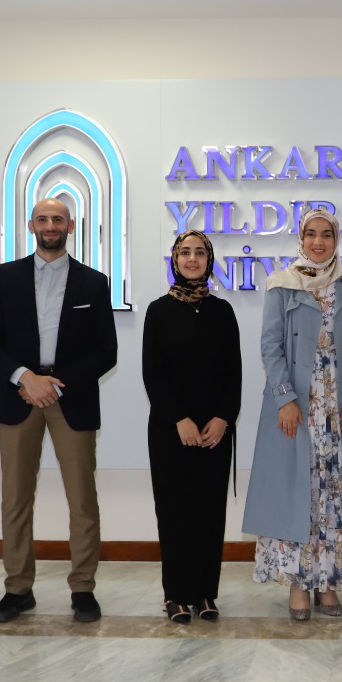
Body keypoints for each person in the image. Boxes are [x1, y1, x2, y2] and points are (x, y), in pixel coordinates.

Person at [0, 198, 118, 625]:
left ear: (70, 226)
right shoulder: (4, 277)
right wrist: (24, 378)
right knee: (15, 499)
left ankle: (83, 589)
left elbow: (106, 351)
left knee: (82, 499)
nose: (50, 225)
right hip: (19, 397)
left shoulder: (94, 282)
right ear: (31, 225)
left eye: (58, 219)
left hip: (70, 398)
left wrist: (56, 383)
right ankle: (18, 589)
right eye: (43, 219)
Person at [243, 209, 342, 620]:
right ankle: (299, 585)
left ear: (336, 240)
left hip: (339, 410)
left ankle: (329, 583)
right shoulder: (281, 285)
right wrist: (284, 398)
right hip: (297, 409)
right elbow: (270, 347)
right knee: (297, 495)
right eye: (310, 234)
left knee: (335, 495)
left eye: (326, 235)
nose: (318, 242)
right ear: (300, 239)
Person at [142, 230, 242, 624]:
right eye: (185, 252)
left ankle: (204, 593)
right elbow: (153, 373)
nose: (192, 259)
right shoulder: (159, 310)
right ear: (175, 259)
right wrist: (178, 419)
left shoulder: (223, 311)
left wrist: (223, 418)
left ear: (209, 261)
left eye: (200, 253)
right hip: (172, 429)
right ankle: (176, 595)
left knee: (210, 511)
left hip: (215, 431)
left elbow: (233, 373)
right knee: (174, 512)